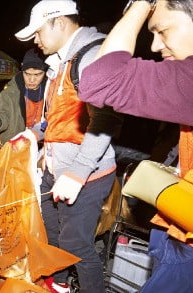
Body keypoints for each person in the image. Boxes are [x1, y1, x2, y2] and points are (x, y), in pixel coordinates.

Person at [78, 1, 193, 291]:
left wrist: (142, 4)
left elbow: (100, 81)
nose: (155, 46)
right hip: (178, 222)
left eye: (163, 30)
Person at [15, 1, 124, 292]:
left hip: (85, 174)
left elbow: (105, 119)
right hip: (56, 171)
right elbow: (56, 118)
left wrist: (77, 173)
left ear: (59, 22)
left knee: (76, 244)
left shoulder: (91, 56)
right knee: (52, 234)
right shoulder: (60, 65)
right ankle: (61, 283)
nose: (36, 41)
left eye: (38, 32)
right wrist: (33, 134)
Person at [0, 48, 48, 144]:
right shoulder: (9, 94)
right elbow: (2, 114)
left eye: (37, 74)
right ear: (22, 69)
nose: (32, 79)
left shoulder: (51, 91)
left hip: (42, 145)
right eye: (27, 74)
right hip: (15, 147)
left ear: (45, 72)